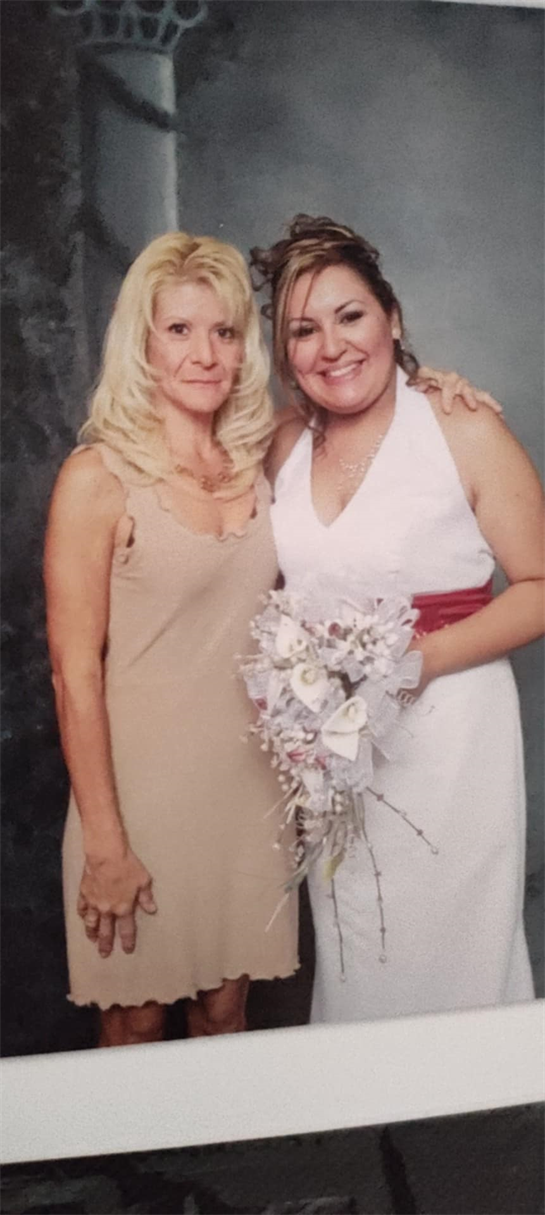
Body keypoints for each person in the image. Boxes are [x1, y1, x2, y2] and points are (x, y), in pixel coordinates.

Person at [250, 214, 545, 1023]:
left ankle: (476, 1140)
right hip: (336, 750)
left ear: (392, 320)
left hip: (451, 737)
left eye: (351, 316)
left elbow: (538, 584)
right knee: (356, 954)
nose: (331, 346)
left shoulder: (460, 424)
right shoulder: (280, 443)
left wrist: (420, 659)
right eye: (303, 330)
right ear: (285, 355)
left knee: (454, 959)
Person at [44, 231, 300, 1047]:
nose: (204, 353)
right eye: (179, 330)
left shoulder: (264, 454)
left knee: (226, 1015)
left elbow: (367, 402)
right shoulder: (98, 476)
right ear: (142, 342)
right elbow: (72, 673)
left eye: (223, 331)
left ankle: (219, 1183)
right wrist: (107, 844)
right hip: (137, 800)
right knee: (136, 1021)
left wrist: (436, 383)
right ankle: (144, 1184)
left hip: (248, 790)